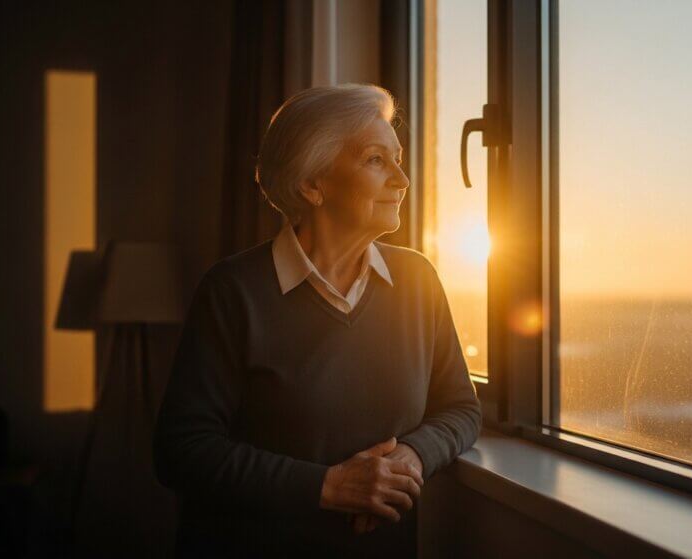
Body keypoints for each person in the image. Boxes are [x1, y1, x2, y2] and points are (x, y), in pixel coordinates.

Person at [153, 84, 482, 557]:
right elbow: (180, 450)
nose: (402, 180)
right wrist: (329, 487)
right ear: (313, 183)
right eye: (375, 160)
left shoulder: (418, 280)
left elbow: (462, 409)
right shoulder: (232, 290)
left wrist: (409, 458)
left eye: (398, 158)